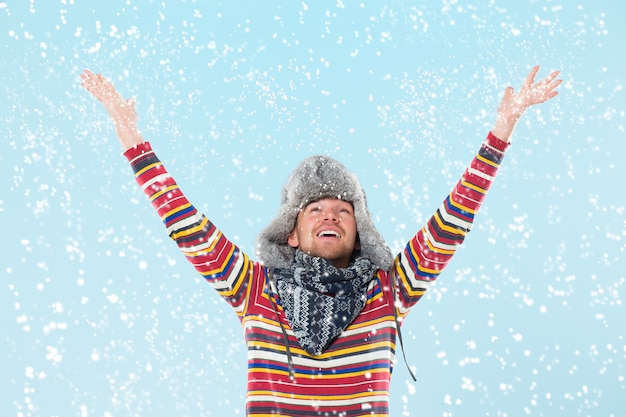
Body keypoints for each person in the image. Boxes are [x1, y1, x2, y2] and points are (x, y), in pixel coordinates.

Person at [80, 66, 561, 416]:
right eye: (315, 209)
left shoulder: (388, 291)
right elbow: (186, 224)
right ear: (291, 232)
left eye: (342, 211)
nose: (330, 214)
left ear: (359, 232)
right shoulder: (255, 290)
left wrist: (502, 130)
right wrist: (131, 138)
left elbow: (452, 221)